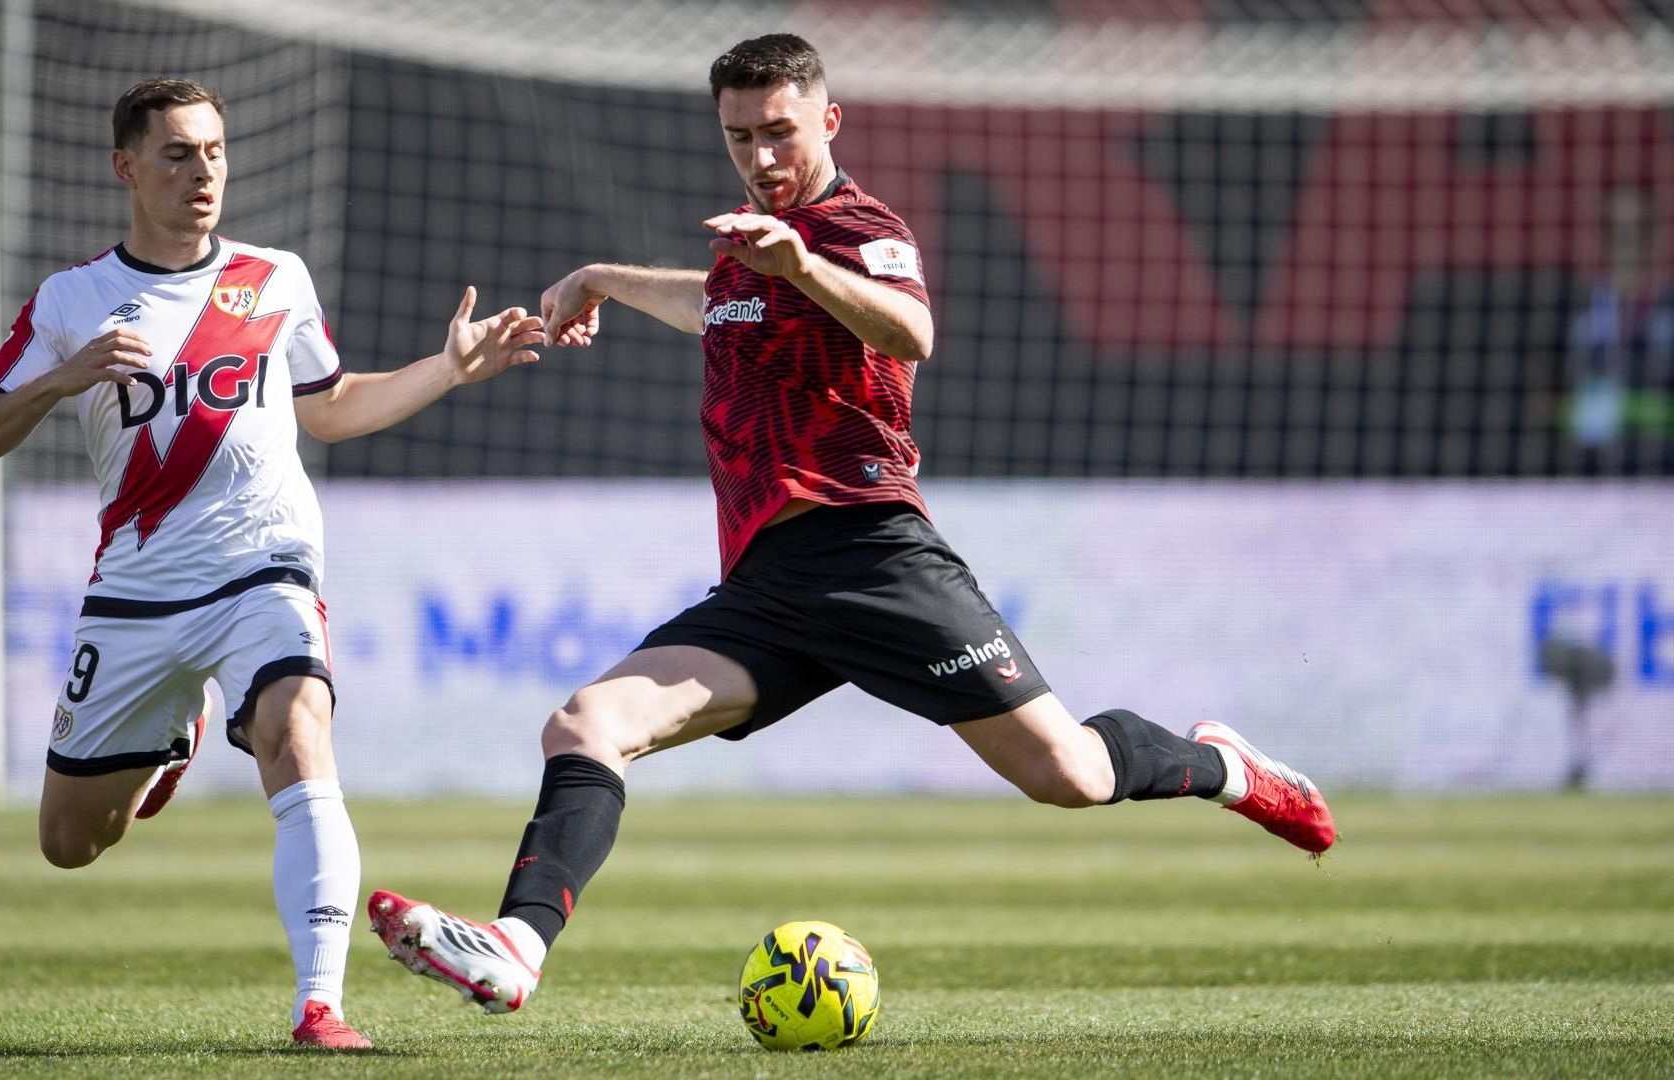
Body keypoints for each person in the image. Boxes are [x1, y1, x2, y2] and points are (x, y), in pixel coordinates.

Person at [365, 34, 1337, 1014]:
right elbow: (722, 310)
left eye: (779, 131)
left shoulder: (857, 227)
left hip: (876, 557)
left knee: (1072, 776)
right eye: (740, 137)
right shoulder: (748, 247)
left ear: (828, 121)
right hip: (769, 588)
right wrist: (603, 278)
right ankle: (517, 946)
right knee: (585, 723)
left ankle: (1221, 766)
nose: (761, 155)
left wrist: (803, 264)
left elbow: (909, 330)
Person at [0, 77, 544, 1048]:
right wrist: (62, 378)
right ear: (125, 168)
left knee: (299, 733)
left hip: (268, 568)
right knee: (69, 844)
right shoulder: (72, 300)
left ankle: (321, 1006)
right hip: (137, 595)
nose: (202, 172)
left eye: (214, 150)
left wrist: (450, 368)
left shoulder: (274, 279)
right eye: (177, 153)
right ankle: (175, 732)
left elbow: (333, 407)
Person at [1561, 185, 1673, 474]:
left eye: (1638, 231)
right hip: (1589, 476)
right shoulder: (1574, 305)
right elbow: (1545, 395)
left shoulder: (1668, 305)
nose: (1627, 243)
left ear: (1655, 237)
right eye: (1617, 231)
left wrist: (1629, 409)